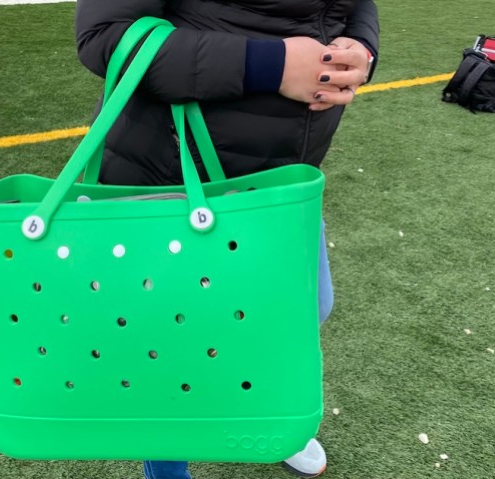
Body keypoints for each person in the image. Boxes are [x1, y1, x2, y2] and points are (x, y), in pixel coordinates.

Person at [75, 1, 379, 477]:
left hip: (283, 181)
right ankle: (169, 467)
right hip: (164, 174)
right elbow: (105, 37)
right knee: (166, 341)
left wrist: (360, 50)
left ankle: (270, 418)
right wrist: (271, 65)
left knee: (301, 311)